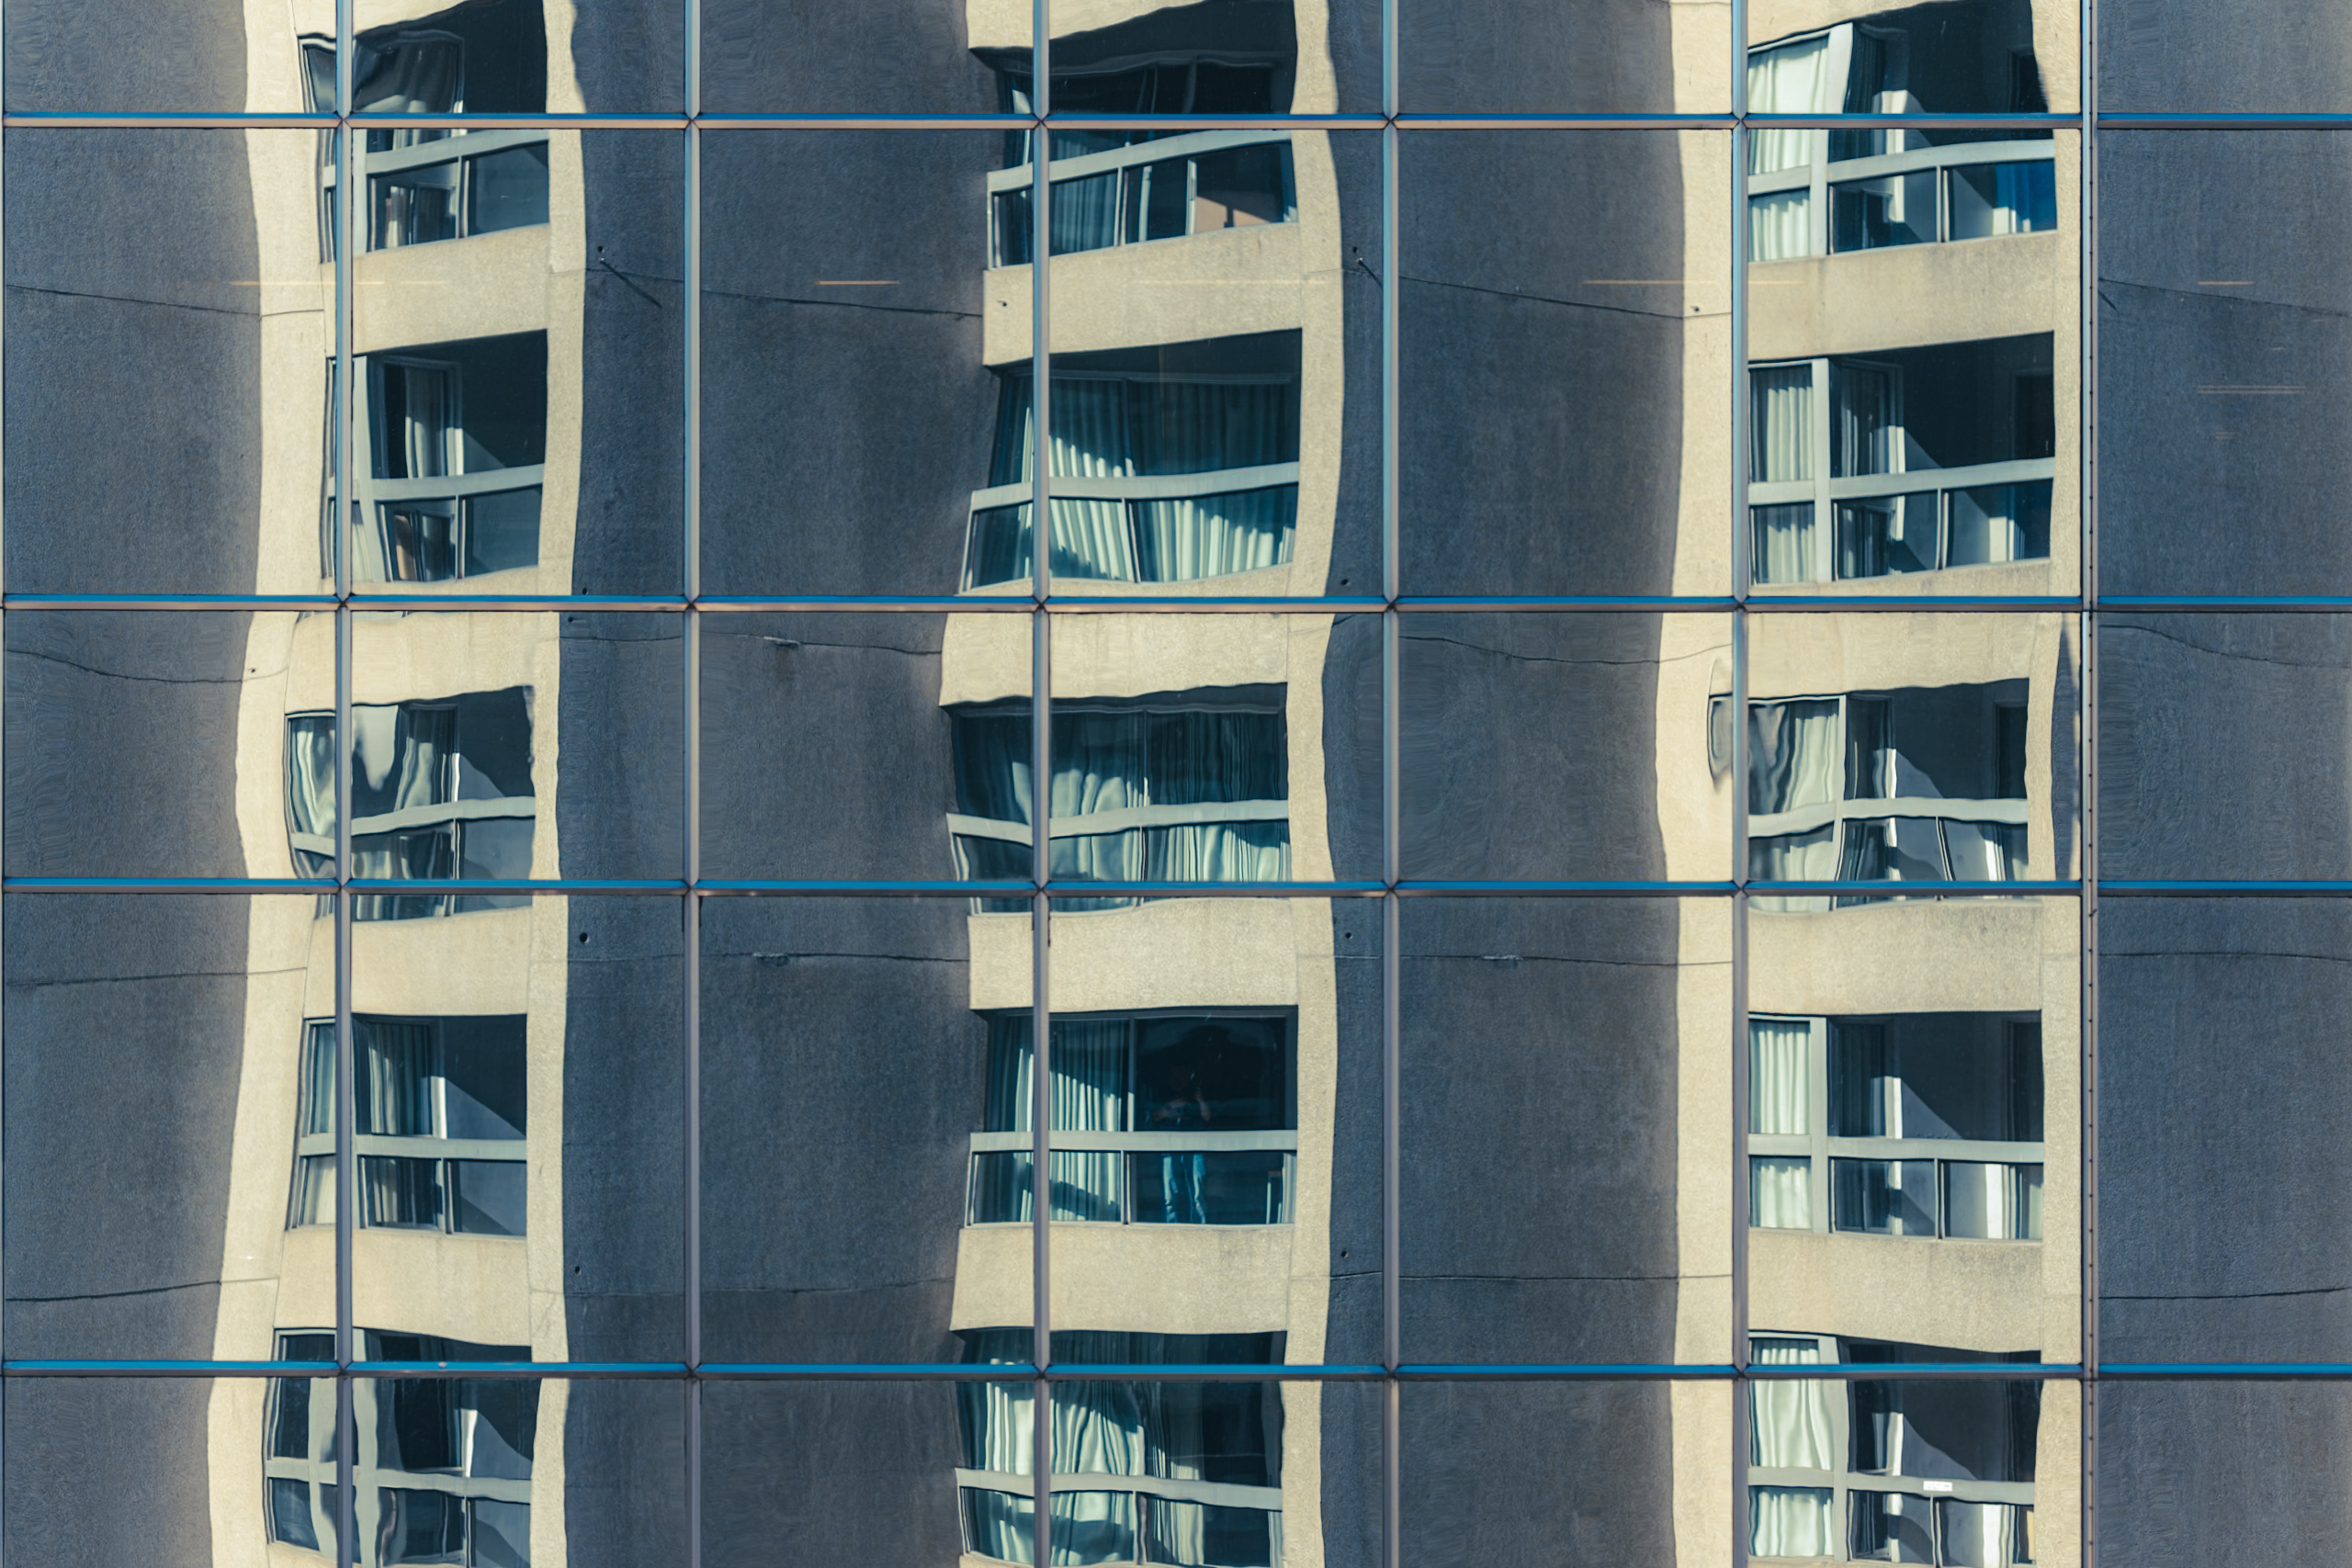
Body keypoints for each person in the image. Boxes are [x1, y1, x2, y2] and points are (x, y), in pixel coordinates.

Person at [1150, 1061, 1211, 1224]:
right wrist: (1172, 1106)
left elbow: (1207, 1118)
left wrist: (1201, 1101)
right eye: (1175, 1076)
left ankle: (1199, 1228)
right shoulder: (1162, 1094)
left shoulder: (1194, 1096)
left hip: (1195, 1149)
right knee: (1170, 1195)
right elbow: (1156, 1115)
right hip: (1169, 1150)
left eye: (1183, 1076)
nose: (1179, 1080)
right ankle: (1171, 1228)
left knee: (1197, 1194)